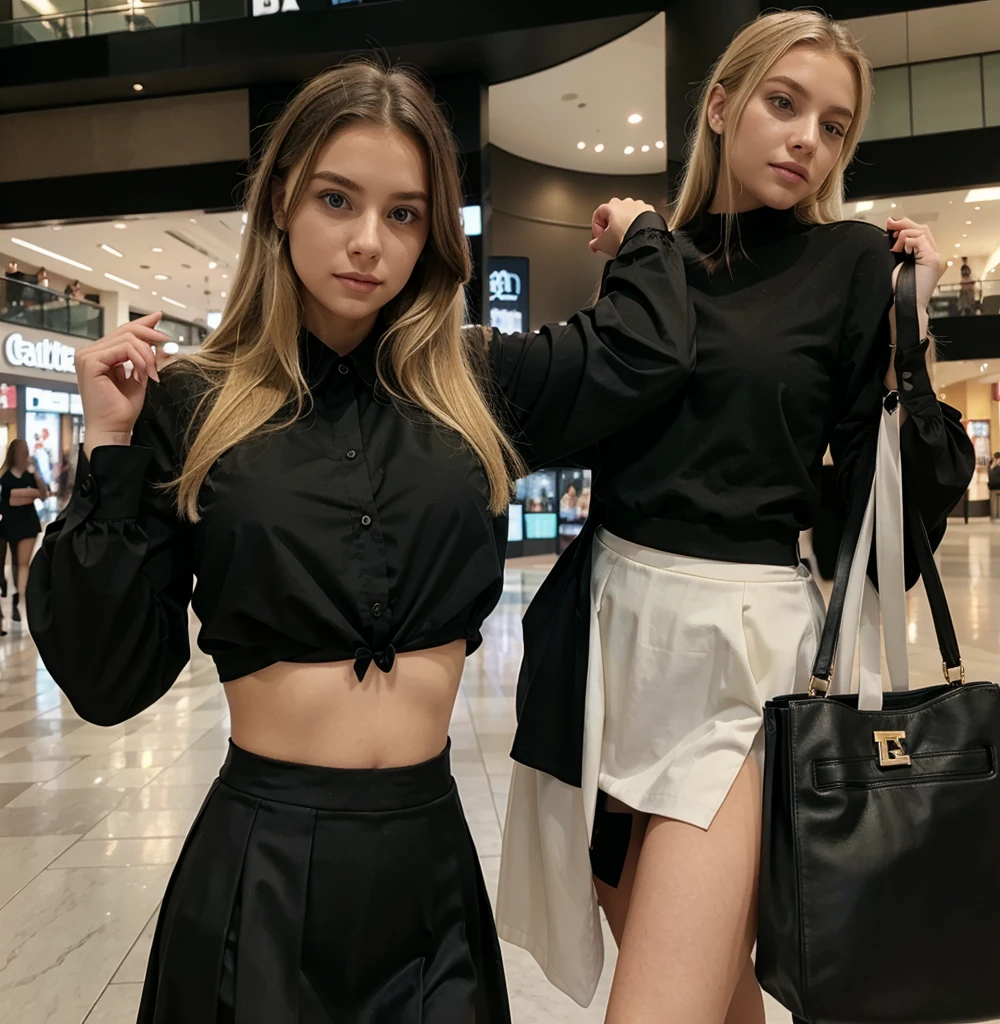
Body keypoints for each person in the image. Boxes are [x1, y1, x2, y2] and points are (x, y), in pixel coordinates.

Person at [27, 60, 692, 1023]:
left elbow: (646, 354)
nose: (368, 243)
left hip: (430, 863)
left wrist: (641, 237)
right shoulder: (195, 402)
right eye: (338, 199)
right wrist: (113, 447)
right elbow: (105, 674)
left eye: (405, 214)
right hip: (259, 867)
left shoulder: (477, 385)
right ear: (284, 202)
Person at [497, 11, 975, 1022]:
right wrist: (635, 246)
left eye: (833, 126)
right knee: (712, 997)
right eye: (783, 103)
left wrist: (909, 329)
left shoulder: (848, 263)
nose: (806, 137)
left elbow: (884, 516)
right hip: (608, 649)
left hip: (741, 666)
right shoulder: (653, 256)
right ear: (720, 107)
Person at [0, 439, 47, 625]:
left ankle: (19, 600)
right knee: (12, 564)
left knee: (22, 564)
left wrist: (34, 476)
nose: (25, 454)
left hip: (28, 524)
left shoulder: (30, 475)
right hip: (9, 524)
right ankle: (9, 589)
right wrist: (28, 494)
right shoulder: (5, 476)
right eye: (22, 451)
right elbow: (7, 501)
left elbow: (42, 494)